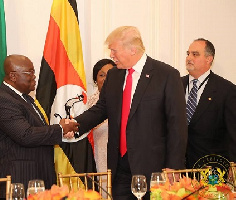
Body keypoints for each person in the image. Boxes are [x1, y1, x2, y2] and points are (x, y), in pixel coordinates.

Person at [74, 26, 188, 200]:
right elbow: (101, 109)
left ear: (132, 49)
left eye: (114, 50)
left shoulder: (166, 75)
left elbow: (177, 124)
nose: (111, 55)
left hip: (154, 168)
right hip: (120, 166)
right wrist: (75, 124)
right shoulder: (113, 76)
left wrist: (174, 165)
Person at [0, 54, 79, 197]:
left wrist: (60, 129)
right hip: (18, 180)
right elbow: (26, 135)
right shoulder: (3, 101)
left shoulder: (25, 99)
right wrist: (60, 129)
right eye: (30, 72)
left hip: (37, 177)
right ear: (13, 76)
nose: (34, 76)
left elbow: (37, 132)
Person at [182, 38, 236, 169]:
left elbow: (233, 133)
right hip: (179, 169)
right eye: (188, 53)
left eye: (195, 54)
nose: (189, 58)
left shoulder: (226, 90)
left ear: (209, 59)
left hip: (212, 169)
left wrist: (233, 165)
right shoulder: (175, 85)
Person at [87, 59, 115, 173]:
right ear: (95, 80)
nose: (106, 78)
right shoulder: (88, 103)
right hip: (98, 153)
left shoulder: (126, 100)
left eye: (110, 74)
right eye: (101, 75)